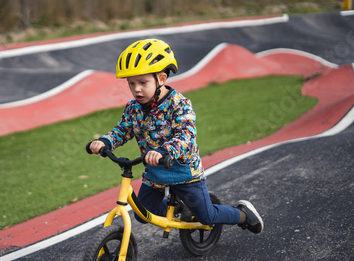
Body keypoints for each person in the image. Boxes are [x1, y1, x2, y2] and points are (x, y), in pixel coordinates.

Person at [88, 38, 263, 234]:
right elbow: (123, 130)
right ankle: (180, 209)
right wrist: (105, 141)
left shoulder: (179, 104)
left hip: (184, 173)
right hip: (155, 173)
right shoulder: (133, 108)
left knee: (207, 216)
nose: (136, 89)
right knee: (142, 213)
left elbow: (186, 135)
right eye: (131, 84)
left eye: (143, 82)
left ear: (161, 79)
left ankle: (243, 215)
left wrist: (164, 150)